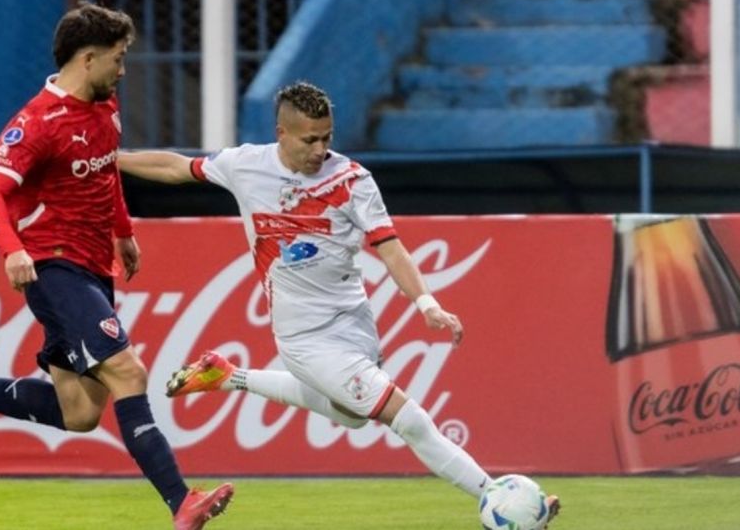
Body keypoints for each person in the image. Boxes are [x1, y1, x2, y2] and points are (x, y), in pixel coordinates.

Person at [116, 81, 560, 527]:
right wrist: (112, 160)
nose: (320, 149)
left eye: (327, 137)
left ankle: (230, 376)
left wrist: (425, 302)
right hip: (304, 338)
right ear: (282, 133)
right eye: (310, 139)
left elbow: (391, 247)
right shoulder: (245, 165)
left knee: (351, 417)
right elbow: (177, 166)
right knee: (407, 418)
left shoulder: (351, 180)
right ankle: (497, 496)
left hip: (354, 322)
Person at [0, 1, 233, 530]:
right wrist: (13, 250)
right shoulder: (37, 123)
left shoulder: (105, 104)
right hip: (52, 266)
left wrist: (123, 231)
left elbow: (104, 175)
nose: (124, 70)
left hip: (94, 264)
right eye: (118, 60)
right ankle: (181, 502)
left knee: (80, 413)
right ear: (89, 57)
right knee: (128, 370)